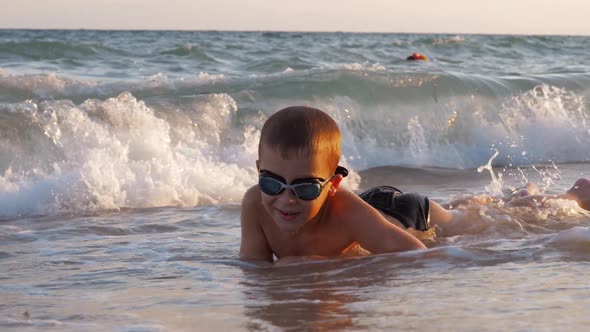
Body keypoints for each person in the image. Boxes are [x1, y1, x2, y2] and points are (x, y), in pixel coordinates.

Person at [239, 106, 590, 264]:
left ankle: (571, 194)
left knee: (474, 221)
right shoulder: (255, 204)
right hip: (372, 212)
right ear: (259, 171)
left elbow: (416, 253)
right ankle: (521, 191)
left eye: (304, 188)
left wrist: (322, 265)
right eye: (272, 182)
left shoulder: (346, 210)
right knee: (469, 208)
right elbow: (255, 269)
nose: (285, 199)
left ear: (332, 185)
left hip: (403, 212)